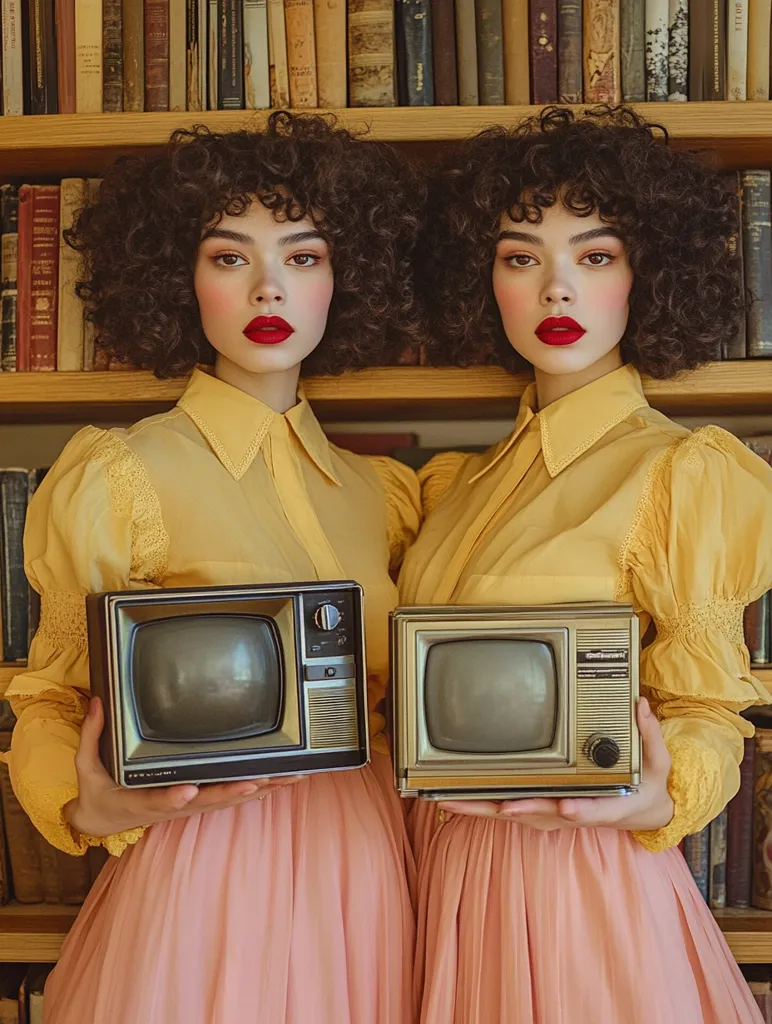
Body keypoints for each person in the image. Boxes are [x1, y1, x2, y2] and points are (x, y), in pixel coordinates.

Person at [6, 112, 421, 1024]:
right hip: (201, 857)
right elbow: (49, 692)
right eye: (229, 256)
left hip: (364, 858)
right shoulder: (120, 474)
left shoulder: (379, 494)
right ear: (178, 279)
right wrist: (85, 808)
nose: (269, 284)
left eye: (304, 257)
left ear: (343, 279)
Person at [397, 106, 772, 1023]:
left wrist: (658, 794)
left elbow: (708, 707)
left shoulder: (680, 474)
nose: (556, 289)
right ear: (484, 280)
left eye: (595, 256)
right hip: (429, 875)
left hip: (576, 880)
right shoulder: (454, 487)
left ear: (649, 272)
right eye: (522, 257)